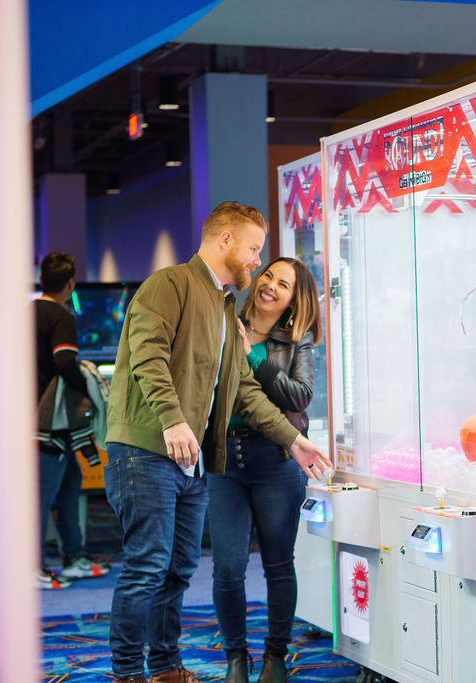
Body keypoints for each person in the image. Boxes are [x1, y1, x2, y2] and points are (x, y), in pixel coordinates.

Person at [104, 202, 332, 683]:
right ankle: (126, 674)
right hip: (147, 449)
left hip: (191, 460)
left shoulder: (226, 307)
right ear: (225, 240)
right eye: (253, 249)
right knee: (147, 566)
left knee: (177, 569)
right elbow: (149, 355)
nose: (256, 262)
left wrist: (293, 440)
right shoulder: (170, 285)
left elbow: (244, 391)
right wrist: (171, 419)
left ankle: (165, 668)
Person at [209, 257, 322, 683]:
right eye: (268, 276)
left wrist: (253, 358)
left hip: (276, 459)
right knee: (226, 568)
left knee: (278, 563)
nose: (270, 285)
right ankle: (236, 658)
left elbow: (300, 397)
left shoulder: (297, 339)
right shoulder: (224, 319)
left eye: (284, 284)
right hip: (224, 459)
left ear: (295, 299)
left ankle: (276, 656)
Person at [34, 252, 111, 589]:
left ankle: (75, 558)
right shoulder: (61, 316)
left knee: (70, 484)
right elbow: (64, 360)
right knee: (41, 495)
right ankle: (31, 567)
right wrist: (85, 390)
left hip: (33, 416)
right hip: (51, 421)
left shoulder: (26, 313)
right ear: (70, 283)